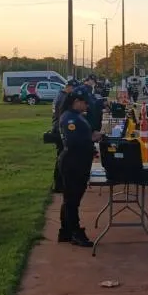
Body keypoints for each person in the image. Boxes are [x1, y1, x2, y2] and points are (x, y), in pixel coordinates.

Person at [58, 90, 102, 247]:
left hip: (79, 162)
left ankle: (65, 231)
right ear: (76, 101)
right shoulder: (70, 118)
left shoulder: (76, 117)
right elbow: (73, 142)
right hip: (73, 163)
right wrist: (91, 138)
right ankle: (75, 233)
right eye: (85, 102)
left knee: (70, 200)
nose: (87, 105)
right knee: (72, 201)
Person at [50, 79, 77, 192]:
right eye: (74, 88)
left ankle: (60, 185)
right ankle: (59, 185)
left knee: (62, 157)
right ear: (69, 87)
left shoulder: (61, 95)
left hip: (58, 127)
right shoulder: (63, 97)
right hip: (60, 129)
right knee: (62, 158)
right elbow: (62, 115)